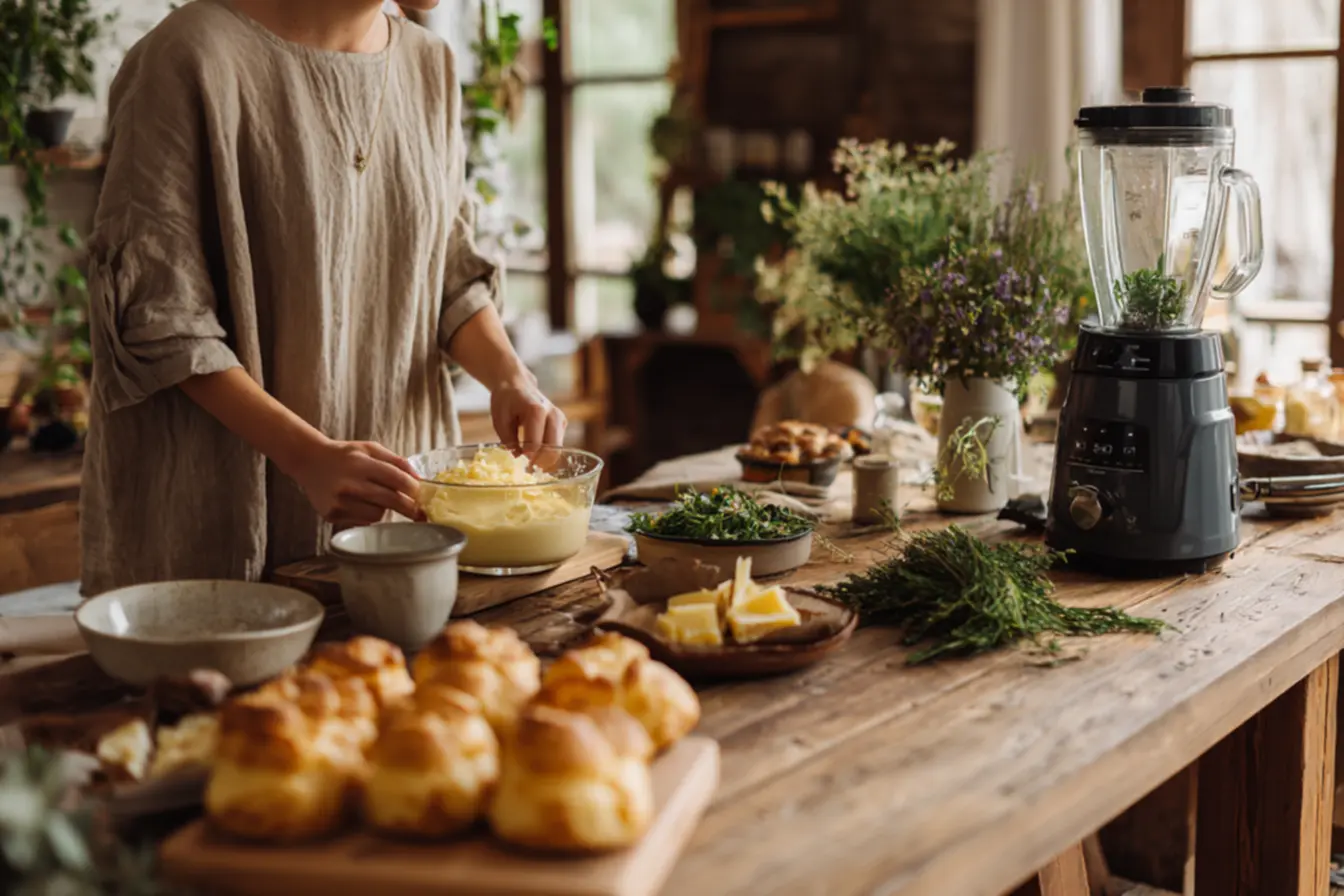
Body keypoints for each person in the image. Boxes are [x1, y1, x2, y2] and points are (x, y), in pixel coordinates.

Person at [80, 0, 565, 595]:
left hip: (398, 527)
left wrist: (510, 376)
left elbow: (449, 273)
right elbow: (160, 317)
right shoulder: (189, 56)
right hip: (219, 530)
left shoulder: (429, 64)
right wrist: (309, 457)